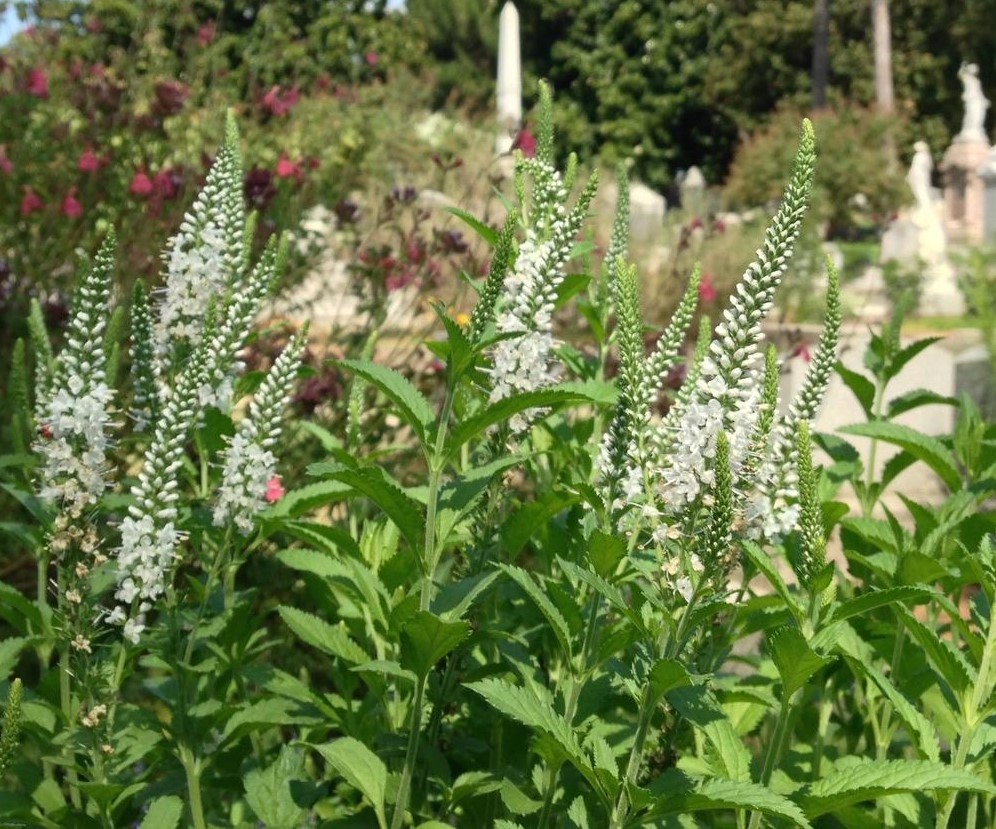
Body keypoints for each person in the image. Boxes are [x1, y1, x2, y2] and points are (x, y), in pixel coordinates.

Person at [959, 63, 990, 139]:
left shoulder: (977, 81)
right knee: (971, 114)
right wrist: (963, 66)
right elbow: (960, 74)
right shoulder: (967, 78)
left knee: (979, 115)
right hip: (971, 100)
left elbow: (979, 92)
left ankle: (976, 129)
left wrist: (984, 100)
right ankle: (969, 129)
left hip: (978, 100)